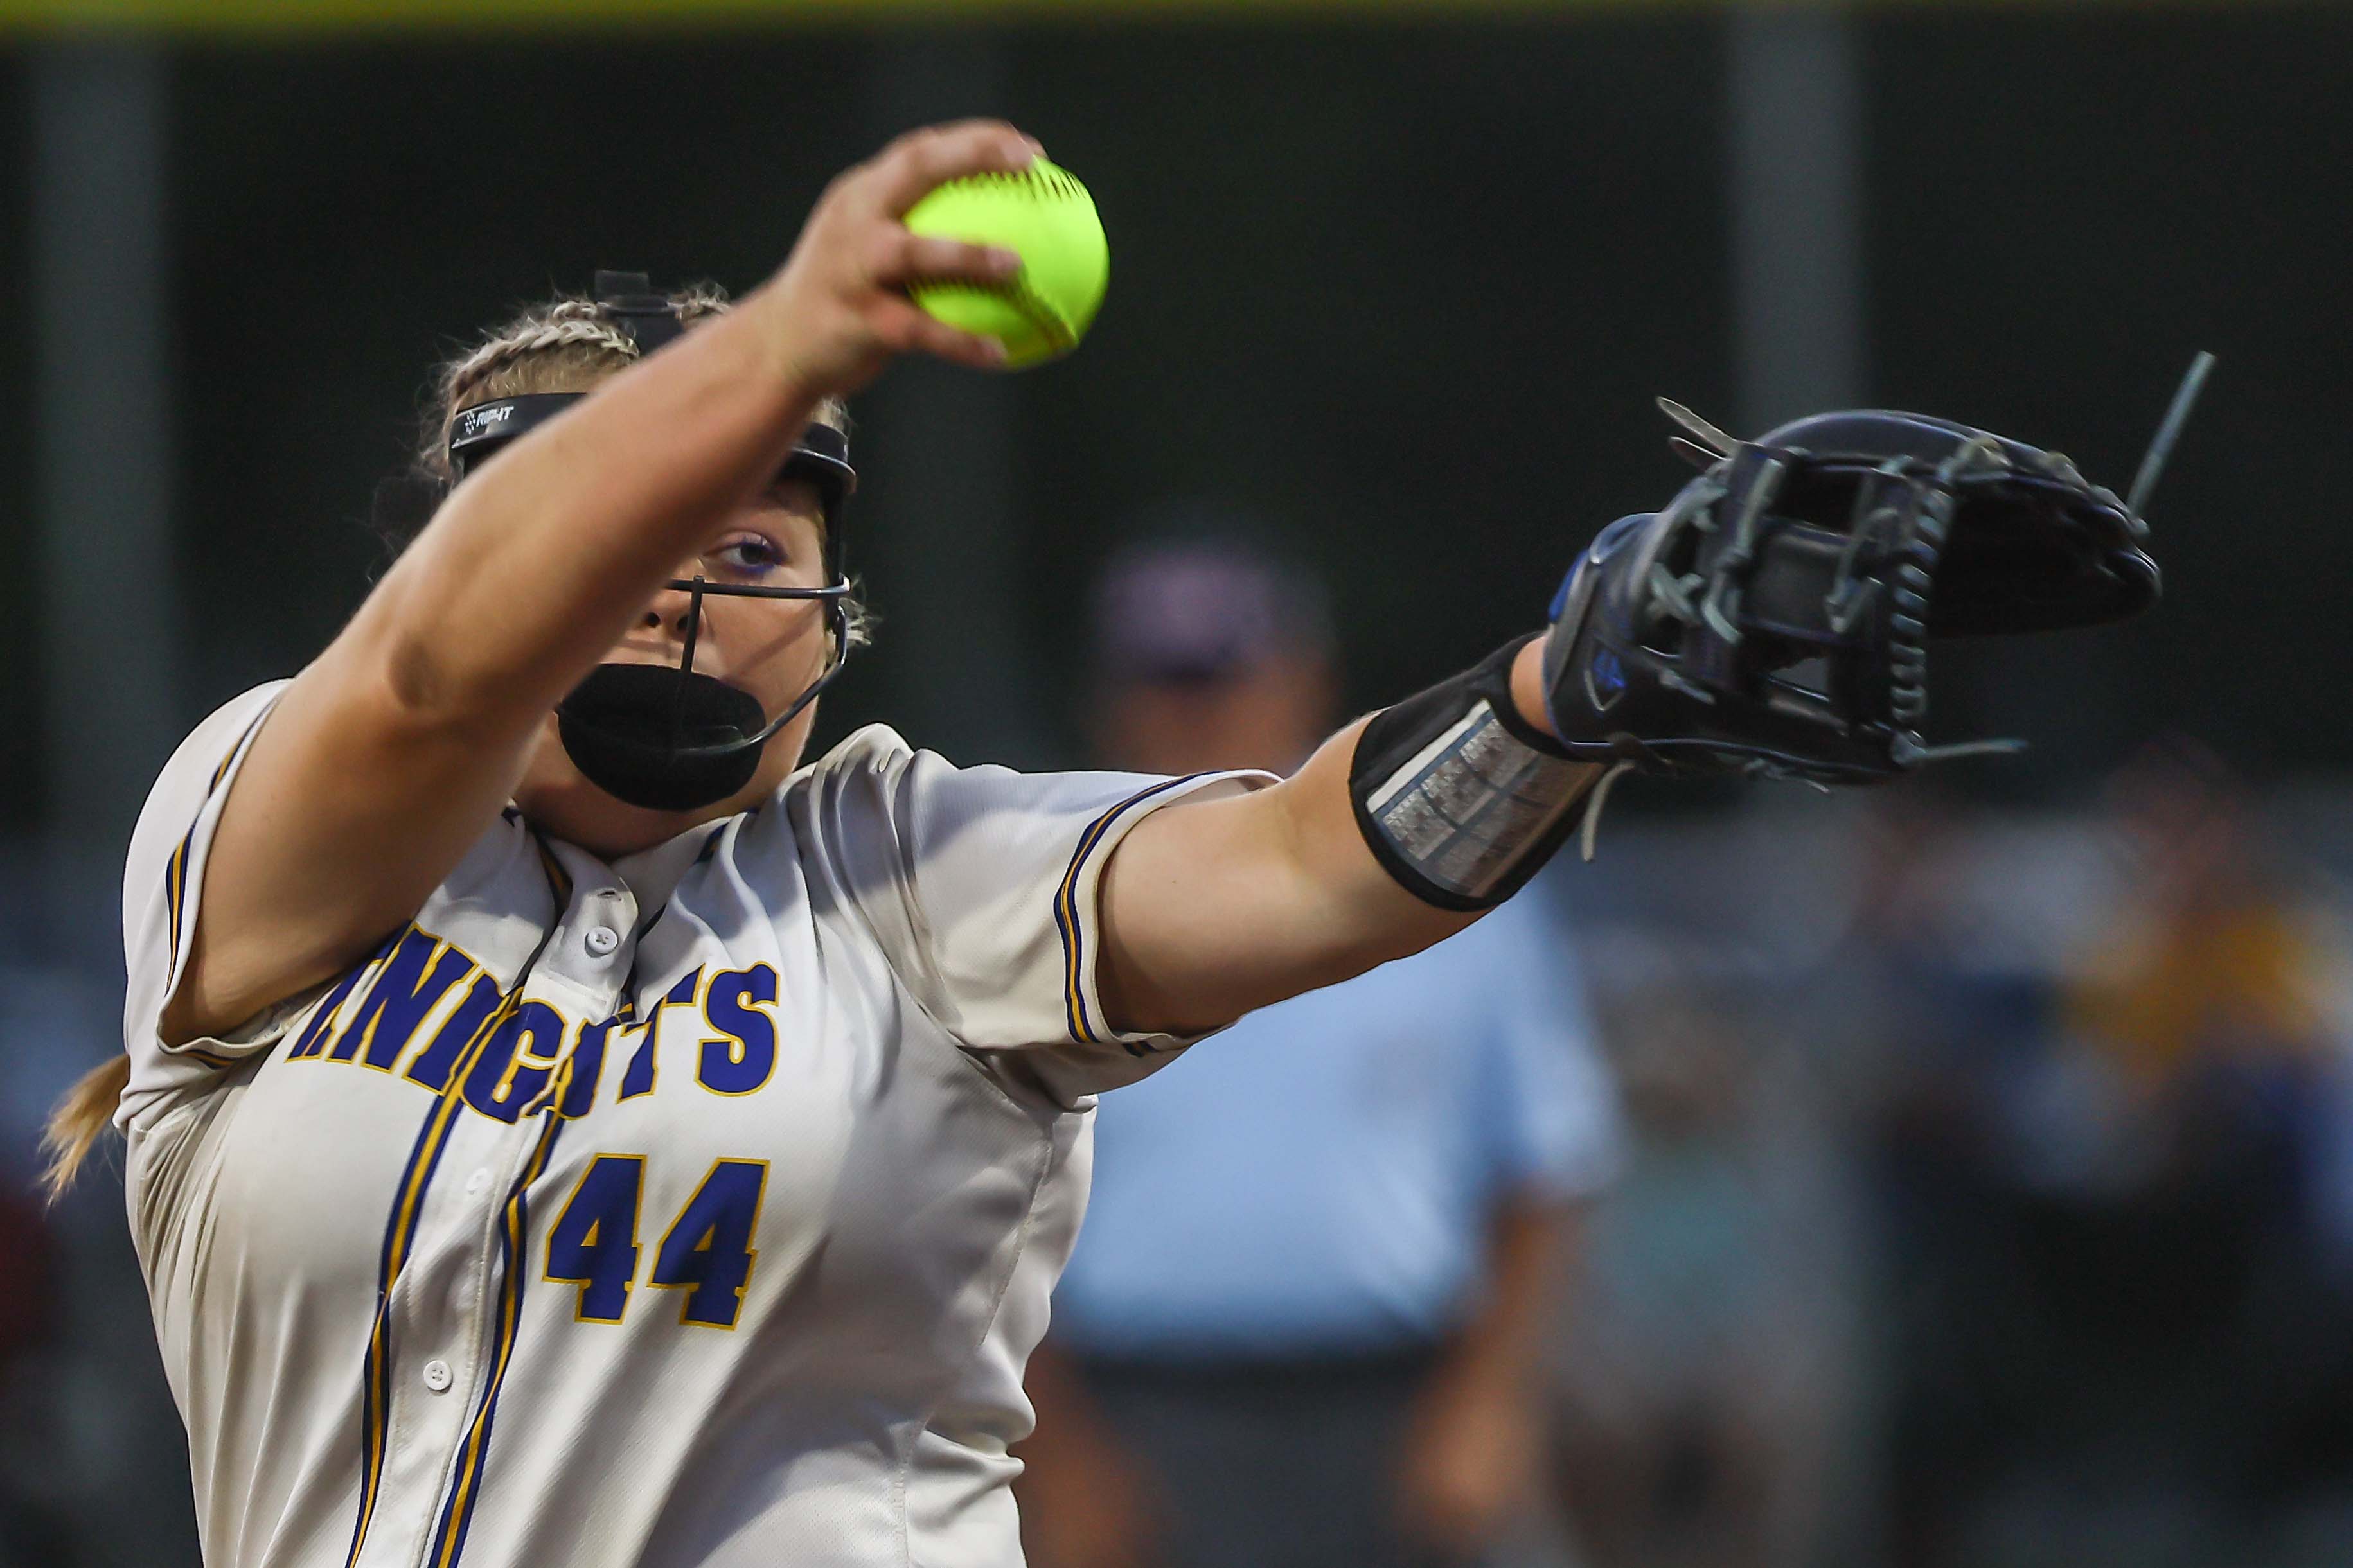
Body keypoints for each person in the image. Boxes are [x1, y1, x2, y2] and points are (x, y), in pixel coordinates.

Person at [30, 121, 2151, 1568]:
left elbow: (1306, 861)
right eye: (622, 526)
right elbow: (418, 694)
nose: (679, 585)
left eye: (749, 539)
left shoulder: (908, 867)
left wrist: (1562, 696)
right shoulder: (273, 840)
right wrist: (791, 337)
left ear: (834, 621)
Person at [1014, 538, 1624, 1568]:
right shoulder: (1038, 904)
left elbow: (1546, 1166)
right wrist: (1052, 1448)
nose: (1192, 714)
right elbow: (976, 1207)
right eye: (1163, 684)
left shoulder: (1442, 891)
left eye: (1220, 679)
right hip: (1134, 1411)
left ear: (1308, 682)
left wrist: (1490, 1398)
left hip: (1394, 1399)